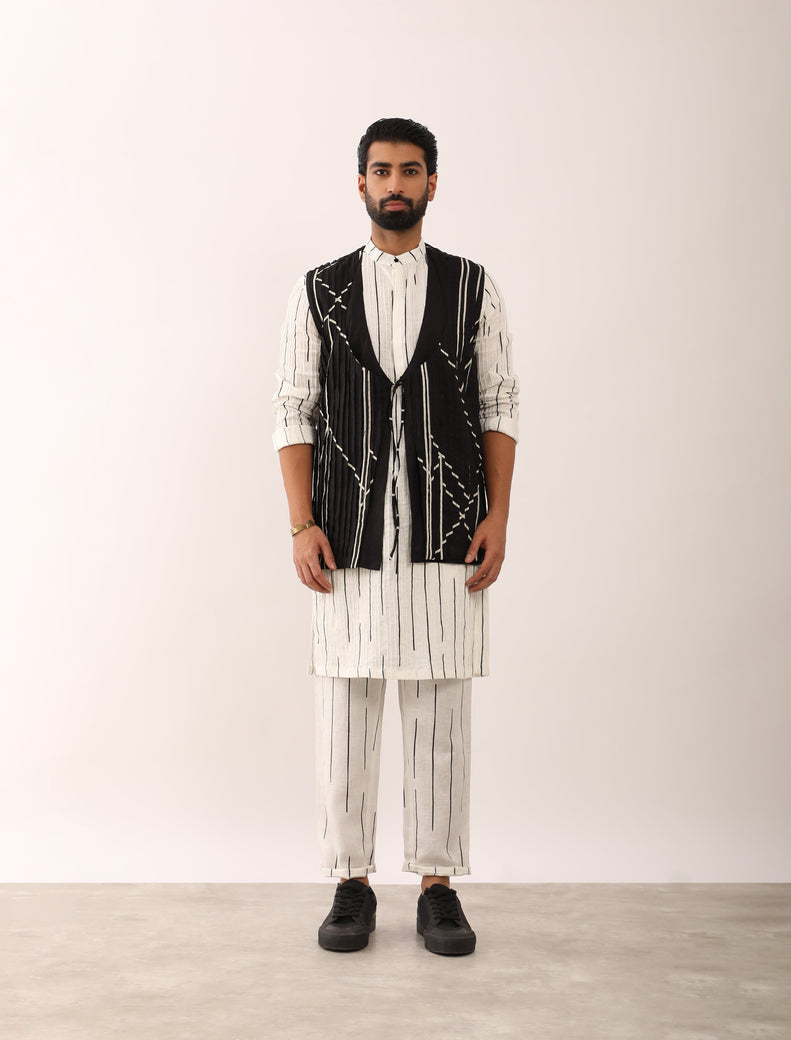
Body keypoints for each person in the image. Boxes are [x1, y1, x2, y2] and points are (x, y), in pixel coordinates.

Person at [272, 117, 519, 956]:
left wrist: (498, 514)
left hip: (450, 533)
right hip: (345, 536)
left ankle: (438, 888)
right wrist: (302, 521)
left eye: (410, 171)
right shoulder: (319, 290)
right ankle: (351, 883)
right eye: (381, 171)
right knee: (345, 709)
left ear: (432, 183)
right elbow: (293, 408)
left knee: (441, 711)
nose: (395, 184)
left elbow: (499, 402)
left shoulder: (471, 287)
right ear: (361, 183)